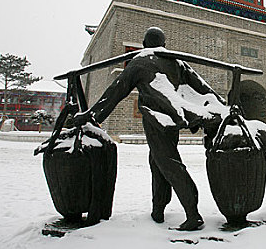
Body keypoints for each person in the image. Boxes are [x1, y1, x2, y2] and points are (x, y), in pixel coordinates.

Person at [74, 27, 226, 231]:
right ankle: (158, 209)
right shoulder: (176, 61)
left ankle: (193, 214)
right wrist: (222, 104)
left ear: (145, 44)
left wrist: (92, 115)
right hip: (172, 120)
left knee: (168, 163)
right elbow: (202, 87)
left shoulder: (139, 62)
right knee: (156, 162)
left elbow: (116, 91)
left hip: (156, 120)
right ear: (164, 44)